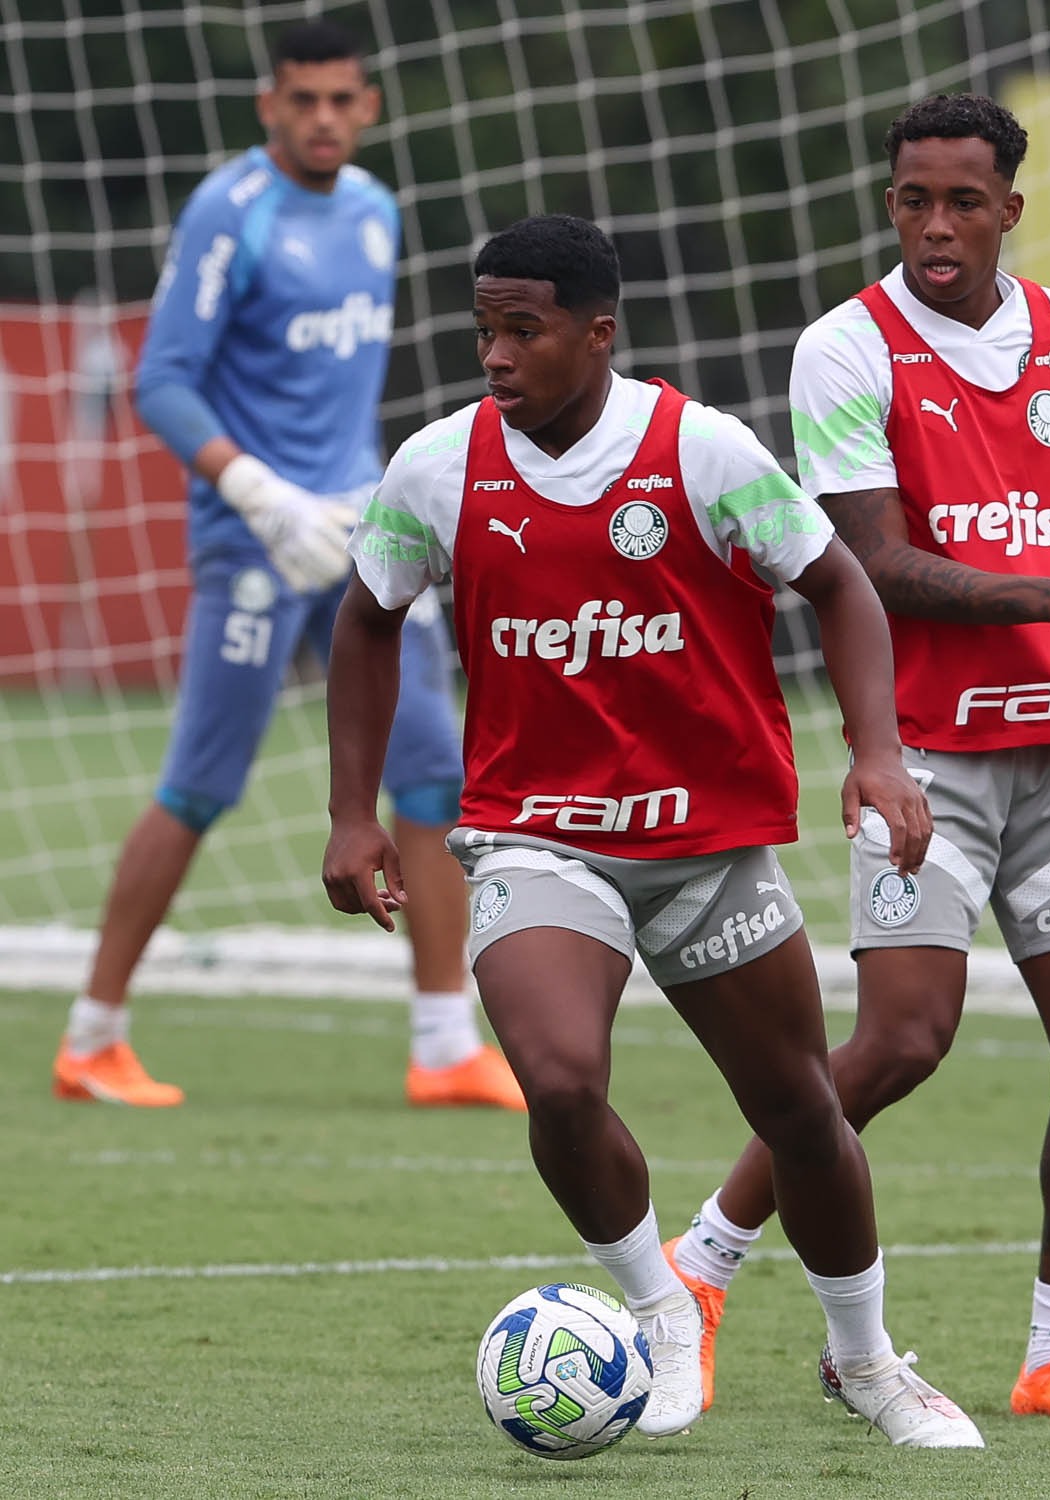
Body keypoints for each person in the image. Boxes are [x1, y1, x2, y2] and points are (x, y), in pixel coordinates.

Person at [322, 212, 986, 1447]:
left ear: (598, 333)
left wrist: (878, 752)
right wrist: (351, 814)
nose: (498, 357)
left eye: (524, 331)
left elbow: (839, 581)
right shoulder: (438, 465)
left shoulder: (702, 451)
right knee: (561, 1080)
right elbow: (366, 618)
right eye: (484, 332)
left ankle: (868, 1363)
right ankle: (656, 1307)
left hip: (706, 842)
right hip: (536, 835)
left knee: (800, 1110)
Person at [666, 92, 1050, 1423]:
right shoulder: (846, 347)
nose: (935, 227)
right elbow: (870, 563)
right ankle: (702, 1266)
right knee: (904, 1040)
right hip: (922, 756)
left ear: (1009, 210)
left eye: (962, 202)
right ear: (891, 206)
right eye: (912, 201)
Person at [51, 18, 521, 1114]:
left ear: (368, 108)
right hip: (255, 539)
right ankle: (92, 1035)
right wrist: (259, 493)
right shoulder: (232, 209)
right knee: (203, 781)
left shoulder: (374, 209)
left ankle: (445, 1042)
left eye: (340, 100)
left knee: (434, 775)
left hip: (361, 531)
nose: (321, 118)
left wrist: (358, 503)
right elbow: (162, 380)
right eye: (301, 99)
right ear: (271, 105)